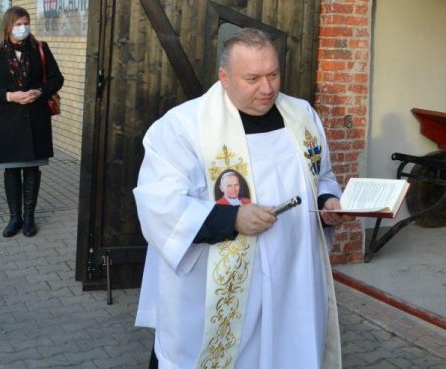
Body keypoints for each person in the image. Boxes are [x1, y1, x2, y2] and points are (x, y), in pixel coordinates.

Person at [134, 28, 354, 369]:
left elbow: (320, 174)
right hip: (221, 279)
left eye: (273, 75)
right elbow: (159, 204)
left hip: (295, 269)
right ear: (224, 77)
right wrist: (232, 218)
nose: (267, 88)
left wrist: (327, 203)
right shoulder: (183, 126)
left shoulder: (302, 115)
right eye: (252, 78)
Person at [0, 6, 63, 238]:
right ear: (8, 26)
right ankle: (14, 217)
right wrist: (10, 96)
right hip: (8, 119)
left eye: (26, 23)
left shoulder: (40, 49)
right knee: (12, 170)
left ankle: (29, 218)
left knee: (32, 169)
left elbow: (57, 78)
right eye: (18, 24)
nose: (23, 28)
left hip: (36, 117)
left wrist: (39, 91)